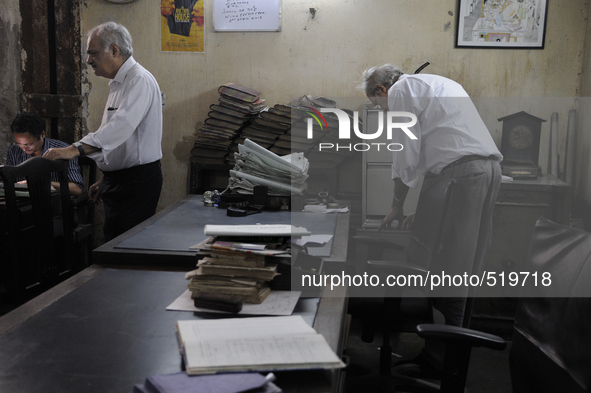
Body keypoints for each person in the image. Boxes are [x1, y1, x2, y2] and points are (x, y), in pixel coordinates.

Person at [361, 64, 502, 373]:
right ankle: (447, 353)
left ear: (382, 91)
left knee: (448, 266)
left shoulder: (401, 91)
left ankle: (442, 361)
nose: (382, 111)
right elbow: (445, 147)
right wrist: (424, 209)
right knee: (467, 263)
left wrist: (397, 204)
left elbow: (405, 153)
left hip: (463, 176)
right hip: (485, 171)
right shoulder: (438, 84)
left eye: (377, 105)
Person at [43, 22, 163, 241]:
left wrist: (75, 149)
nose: (89, 60)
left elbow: (120, 128)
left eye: (93, 54)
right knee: (113, 243)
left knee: (126, 248)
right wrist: (106, 178)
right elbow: (113, 135)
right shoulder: (119, 83)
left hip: (137, 181)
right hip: (121, 179)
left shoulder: (138, 80)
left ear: (115, 50)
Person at [6, 112, 84, 197]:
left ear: (42, 134)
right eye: (19, 143)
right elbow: (9, 180)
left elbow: (77, 189)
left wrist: (40, 183)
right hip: (24, 202)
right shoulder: (13, 150)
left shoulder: (63, 150)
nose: (24, 148)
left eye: (29, 144)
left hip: (54, 203)